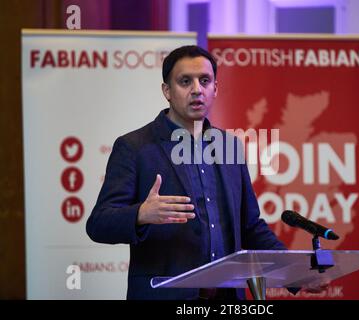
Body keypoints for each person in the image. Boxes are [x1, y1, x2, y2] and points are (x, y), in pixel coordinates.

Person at [86, 45, 296, 300]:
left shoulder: (229, 146)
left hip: (227, 298)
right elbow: (98, 224)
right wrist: (140, 214)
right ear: (167, 91)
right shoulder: (135, 147)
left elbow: (249, 226)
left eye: (205, 81)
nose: (197, 89)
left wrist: (296, 273)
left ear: (215, 89)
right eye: (185, 81)